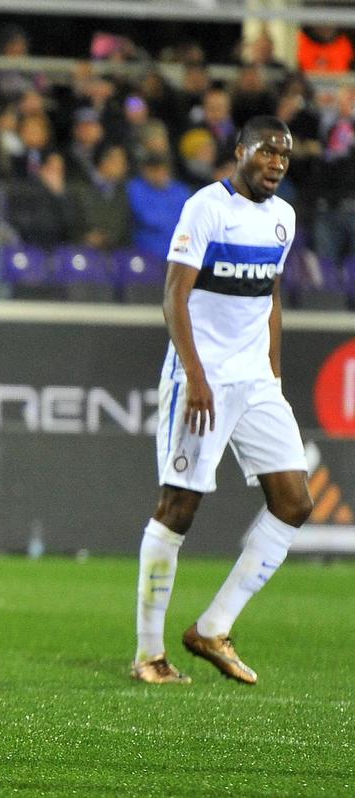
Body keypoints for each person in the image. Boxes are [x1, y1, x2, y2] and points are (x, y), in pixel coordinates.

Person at [131, 116, 312, 685]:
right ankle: (149, 654)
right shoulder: (205, 208)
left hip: (255, 381)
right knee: (178, 508)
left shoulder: (283, 218)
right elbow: (173, 296)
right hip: (202, 377)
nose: (276, 163)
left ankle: (212, 628)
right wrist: (195, 374)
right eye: (267, 151)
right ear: (240, 151)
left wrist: (273, 374)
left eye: (284, 155)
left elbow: (271, 298)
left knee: (294, 502)